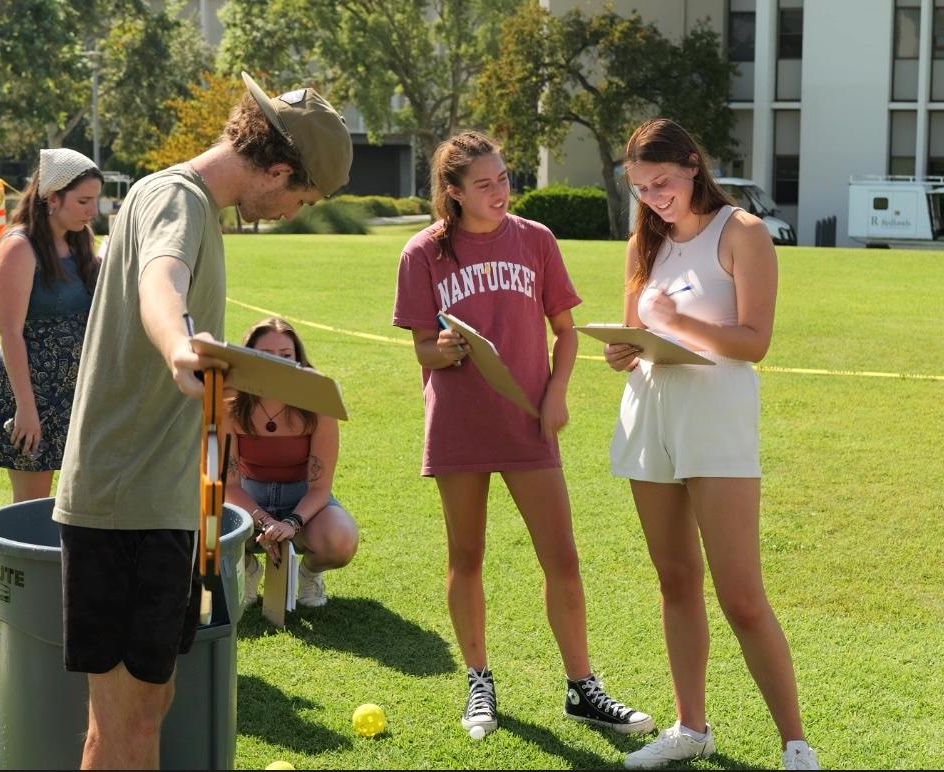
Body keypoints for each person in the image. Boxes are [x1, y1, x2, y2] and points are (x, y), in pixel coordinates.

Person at [51, 73, 351, 769]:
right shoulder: (176, 200)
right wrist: (179, 342)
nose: (291, 211)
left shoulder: (190, 206)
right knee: (123, 726)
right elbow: (162, 281)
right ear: (276, 169)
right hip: (127, 506)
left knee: (141, 715)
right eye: (299, 197)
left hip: (165, 503)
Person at [392, 130, 651, 739]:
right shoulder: (423, 253)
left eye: (504, 178)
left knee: (560, 556)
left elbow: (565, 332)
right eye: (484, 185)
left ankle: (583, 688)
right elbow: (422, 351)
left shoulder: (536, 240)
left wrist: (556, 396)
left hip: (528, 422)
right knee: (467, 556)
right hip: (458, 427)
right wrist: (444, 348)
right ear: (453, 193)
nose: (500, 191)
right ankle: (479, 681)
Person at [603, 118, 818, 771]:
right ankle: (690, 727)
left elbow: (755, 340)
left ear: (693, 165)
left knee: (741, 595)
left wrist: (682, 323)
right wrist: (625, 347)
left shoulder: (743, 233)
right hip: (650, 414)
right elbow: (640, 332)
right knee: (675, 581)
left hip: (717, 418)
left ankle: (795, 743)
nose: (653, 198)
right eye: (641, 188)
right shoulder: (645, 241)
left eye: (661, 183)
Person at [0, 149, 101, 502]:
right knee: (32, 510)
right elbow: (10, 332)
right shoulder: (19, 247)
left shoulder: (80, 240)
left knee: (79, 506)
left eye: (95, 200)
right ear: (52, 198)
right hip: (33, 390)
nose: (93, 211)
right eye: (83, 201)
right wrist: (26, 409)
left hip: (77, 390)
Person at [223, 317, 359, 609]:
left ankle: (308, 574)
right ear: (249, 356)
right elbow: (228, 484)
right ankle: (246, 568)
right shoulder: (229, 401)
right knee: (202, 524)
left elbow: (320, 487)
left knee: (341, 540)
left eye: (286, 356)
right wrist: (265, 521)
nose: (278, 364)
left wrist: (291, 523)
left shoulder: (319, 399)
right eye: (267, 356)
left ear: (298, 359)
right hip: (246, 495)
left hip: (303, 496)